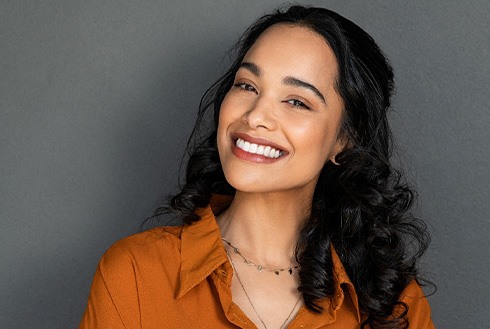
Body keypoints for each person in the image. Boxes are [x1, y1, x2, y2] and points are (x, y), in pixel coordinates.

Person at [80, 5, 434, 329]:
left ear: (345, 139)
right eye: (247, 85)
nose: (255, 116)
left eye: (296, 101)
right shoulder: (135, 274)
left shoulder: (395, 305)